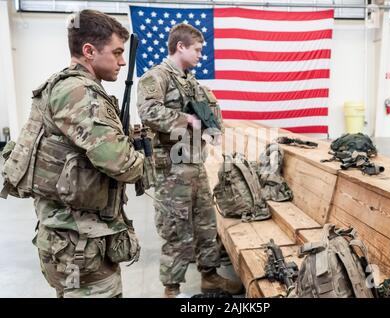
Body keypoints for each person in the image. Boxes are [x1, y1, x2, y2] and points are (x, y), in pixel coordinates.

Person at [2, 9, 144, 297]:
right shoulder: (78, 92)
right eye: (116, 52)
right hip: (79, 243)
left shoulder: (70, 86)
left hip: (72, 239)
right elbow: (121, 163)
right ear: (89, 51)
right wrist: (142, 157)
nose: (122, 61)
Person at [137, 23, 242, 298]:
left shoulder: (190, 81)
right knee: (176, 230)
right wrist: (187, 120)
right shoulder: (156, 77)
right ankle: (171, 289)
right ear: (180, 46)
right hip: (171, 168)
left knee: (206, 223)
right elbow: (148, 111)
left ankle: (209, 277)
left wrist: (210, 126)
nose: (200, 55)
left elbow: (205, 112)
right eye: (197, 49)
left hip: (195, 164)